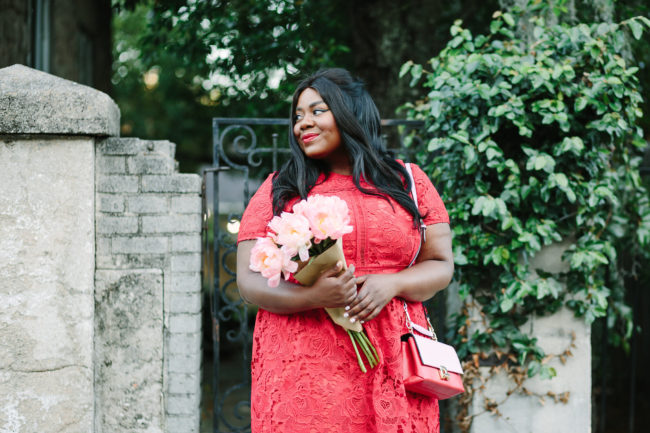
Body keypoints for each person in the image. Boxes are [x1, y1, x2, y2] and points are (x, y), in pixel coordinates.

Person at [236, 68, 454, 433]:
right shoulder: (281, 188)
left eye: (317, 111)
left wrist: (393, 284)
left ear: (351, 112)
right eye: (297, 116)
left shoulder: (409, 182)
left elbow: (441, 265)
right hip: (303, 364)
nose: (302, 124)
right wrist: (315, 296)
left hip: (393, 358)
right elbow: (248, 279)